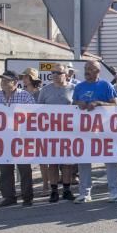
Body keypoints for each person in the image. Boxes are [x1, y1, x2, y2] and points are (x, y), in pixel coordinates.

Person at [73, 60, 117, 204]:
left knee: (110, 161)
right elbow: (72, 106)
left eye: (91, 69)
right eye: (86, 69)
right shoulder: (79, 87)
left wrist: (99, 103)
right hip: (85, 131)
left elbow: (116, 106)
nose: (87, 71)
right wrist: (77, 103)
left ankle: (114, 191)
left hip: (105, 130)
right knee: (84, 161)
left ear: (98, 71)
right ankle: (84, 193)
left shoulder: (105, 85)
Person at [0, 70, 37, 207]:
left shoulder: (25, 96)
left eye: (6, 80)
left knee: (24, 169)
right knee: (5, 169)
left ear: (15, 82)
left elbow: (32, 115)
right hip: (2, 138)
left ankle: (27, 197)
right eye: (2, 80)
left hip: (21, 137)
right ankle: (8, 196)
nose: (3, 83)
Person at [36, 63, 77, 202]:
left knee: (67, 163)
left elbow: (79, 109)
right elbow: (39, 110)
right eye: (53, 72)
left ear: (66, 75)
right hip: (50, 133)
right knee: (52, 163)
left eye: (58, 72)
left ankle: (66, 189)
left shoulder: (73, 89)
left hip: (68, 132)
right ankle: (54, 190)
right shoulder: (45, 90)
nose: (54, 75)